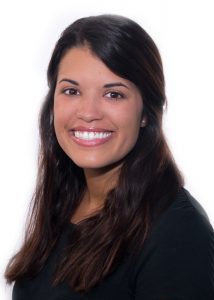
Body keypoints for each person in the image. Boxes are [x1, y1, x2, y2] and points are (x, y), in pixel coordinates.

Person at [5, 14, 214, 299]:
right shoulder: (65, 201)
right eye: (71, 90)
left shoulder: (177, 233)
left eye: (114, 94)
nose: (88, 112)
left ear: (146, 113)